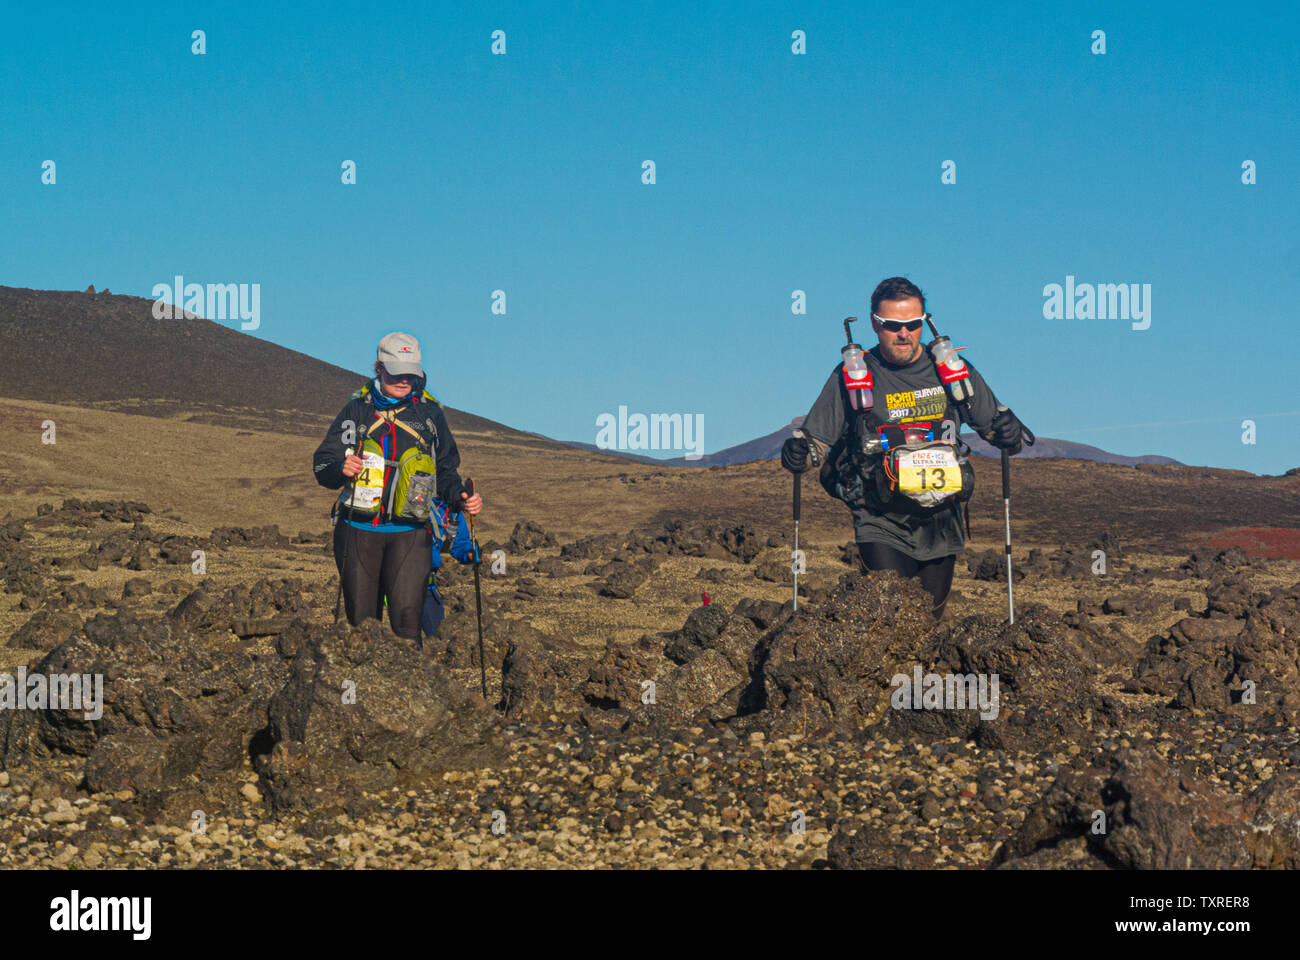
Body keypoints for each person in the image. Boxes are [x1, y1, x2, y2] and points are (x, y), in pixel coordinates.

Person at [781, 277, 1025, 619]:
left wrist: (1009, 432)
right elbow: (816, 442)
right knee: (892, 617)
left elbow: (1001, 435)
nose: (904, 334)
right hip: (880, 520)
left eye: (913, 324)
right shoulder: (854, 375)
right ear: (874, 324)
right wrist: (798, 453)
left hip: (941, 524)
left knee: (926, 622)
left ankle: (915, 675)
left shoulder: (952, 372)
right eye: (892, 325)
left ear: (924, 320)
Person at [313, 332, 482, 641]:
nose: (404, 380)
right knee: (362, 633)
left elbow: (445, 474)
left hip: (411, 536)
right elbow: (322, 465)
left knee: (407, 630)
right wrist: (341, 468)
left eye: (410, 374)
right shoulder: (356, 412)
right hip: (357, 533)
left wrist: (461, 498)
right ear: (379, 367)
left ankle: (412, 689)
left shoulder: (430, 417)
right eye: (396, 372)